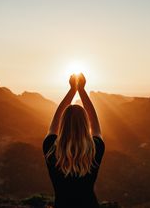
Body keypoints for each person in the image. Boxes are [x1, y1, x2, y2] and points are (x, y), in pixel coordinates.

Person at [43, 73, 105, 208]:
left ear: (62, 124)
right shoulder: (95, 149)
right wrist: (81, 90)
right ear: (85, 124)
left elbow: (54, 122)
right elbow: (96, 127)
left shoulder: (50, 148)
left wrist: (72, 90)